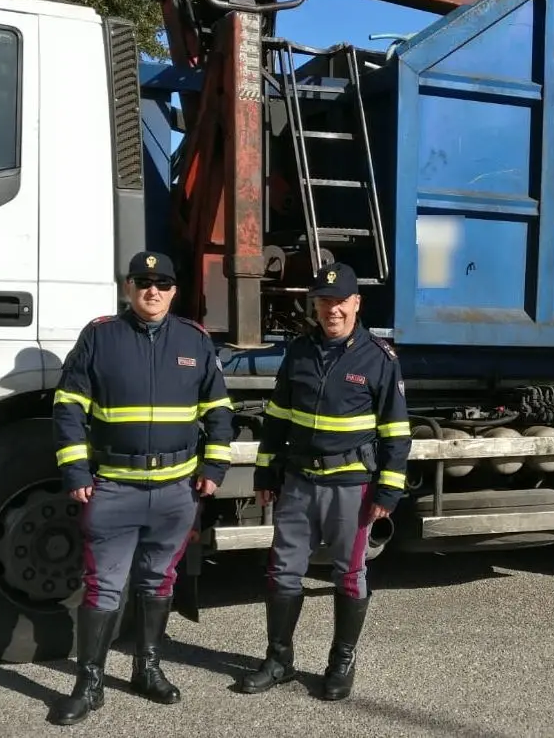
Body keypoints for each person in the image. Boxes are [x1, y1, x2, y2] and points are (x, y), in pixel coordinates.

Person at [49, 250, 235, 726]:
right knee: (104, 587)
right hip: (115, 487)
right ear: (128, 287)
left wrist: (214, 468)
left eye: (163, 284)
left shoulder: (194, 340)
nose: (153, 291)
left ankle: (146, 669)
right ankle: (88, 683)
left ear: (174, 291)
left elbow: (219, 411)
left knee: (158, 581)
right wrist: (75, 472)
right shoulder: (100, 337)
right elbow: (68, 406)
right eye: (143, 282)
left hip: (175, 491)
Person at [237, 261, 412, 701]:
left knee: (349, 575)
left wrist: (388, 490)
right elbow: (276, 417)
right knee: (282, 572)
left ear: (356, 303)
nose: (331, 310)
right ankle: (278, 660)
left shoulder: (379, 358)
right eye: (323, 302)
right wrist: (265, 470)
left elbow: (396, 431)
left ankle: (341, 662)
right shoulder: (299, 352)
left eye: (339, 301)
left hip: (352, 487)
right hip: (298, 483)